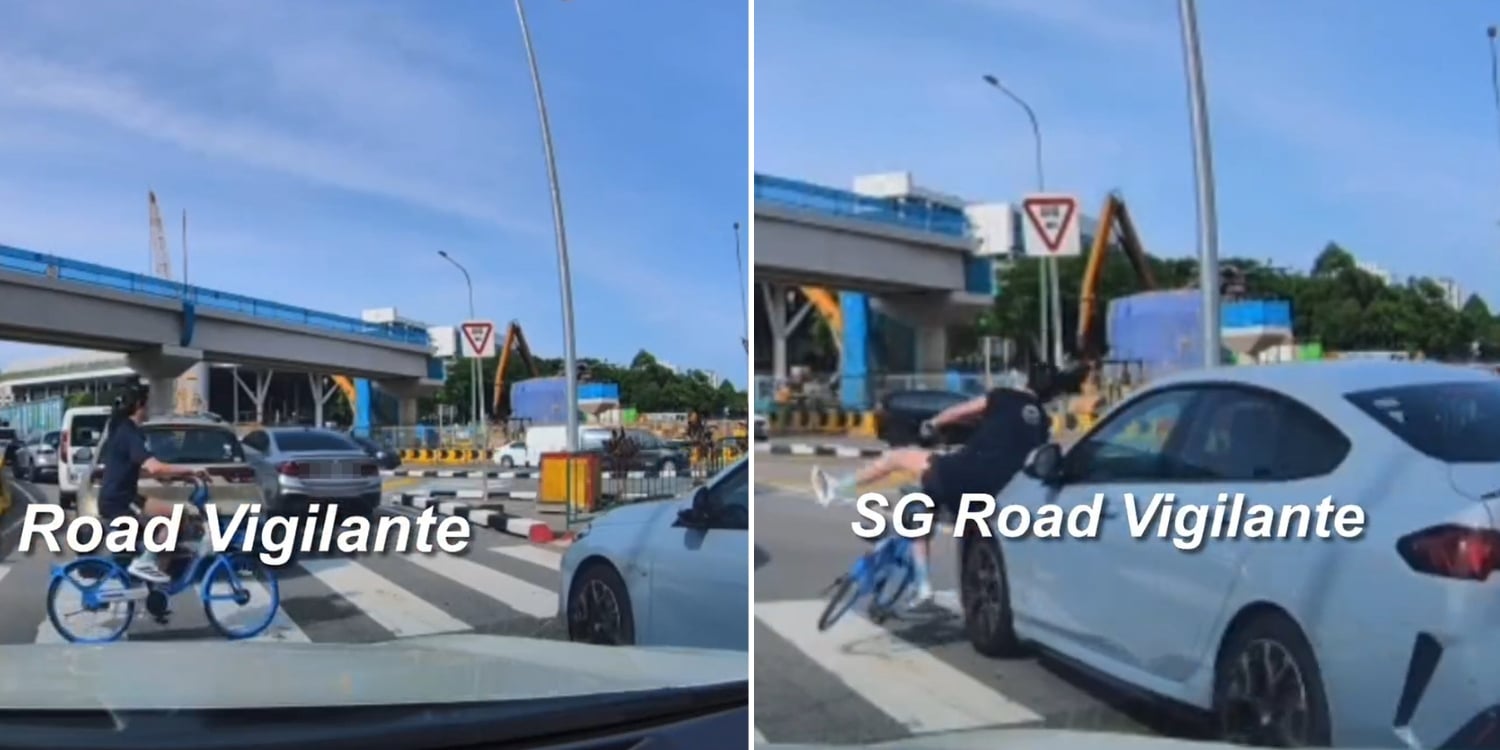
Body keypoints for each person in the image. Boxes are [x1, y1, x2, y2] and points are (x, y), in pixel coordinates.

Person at [811, 361, 1090, 606]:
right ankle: (936, 589)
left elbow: (960, 412)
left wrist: (932, 424)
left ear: (1026, 381)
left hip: (961, 473)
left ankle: (837, 491)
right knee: (935, 507)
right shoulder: (1043, 423)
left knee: (899, 464)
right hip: (996, 495)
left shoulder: (1003, 396)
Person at [96, 383, 209, 583]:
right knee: (176, 516)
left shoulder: (123, 429)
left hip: (122, 497)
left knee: (171, 527)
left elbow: (147, 470)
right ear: (139, 405)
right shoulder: (129, 433)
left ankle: (156, 584)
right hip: (120, 502)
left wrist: (182, 477)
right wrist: (191, 470)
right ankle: (146, 561)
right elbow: (155, 467)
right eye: (147, 405)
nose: (149, 409)